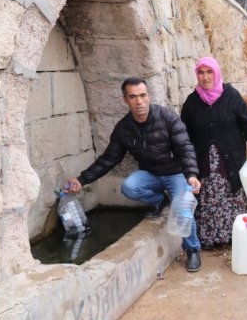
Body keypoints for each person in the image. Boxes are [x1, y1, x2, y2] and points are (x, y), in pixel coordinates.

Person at [65, 77, 203, 272]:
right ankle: (160, 200)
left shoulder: (167, 117)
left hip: (175, 173)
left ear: (148, 97)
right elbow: (109, 159)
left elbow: (185, 148)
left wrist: (191, 175)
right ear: (125, 100)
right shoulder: (124, 128)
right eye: (133, 97)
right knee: (129, 187)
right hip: (150, 174)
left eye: (142, 95)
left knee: (182, 208)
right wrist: (81, 180)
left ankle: (193, 250)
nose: (139, 102)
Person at [180, 57, 247, 250]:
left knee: (231, 195)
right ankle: (210, 238)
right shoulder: (192, 102)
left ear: (216, 73)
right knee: (208, 198)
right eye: (201, 73)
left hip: (230, 159)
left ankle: (234, 235)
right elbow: (183, 134)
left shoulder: (232, 96)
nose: (205, 77)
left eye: (209, 72)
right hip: (204, 161)